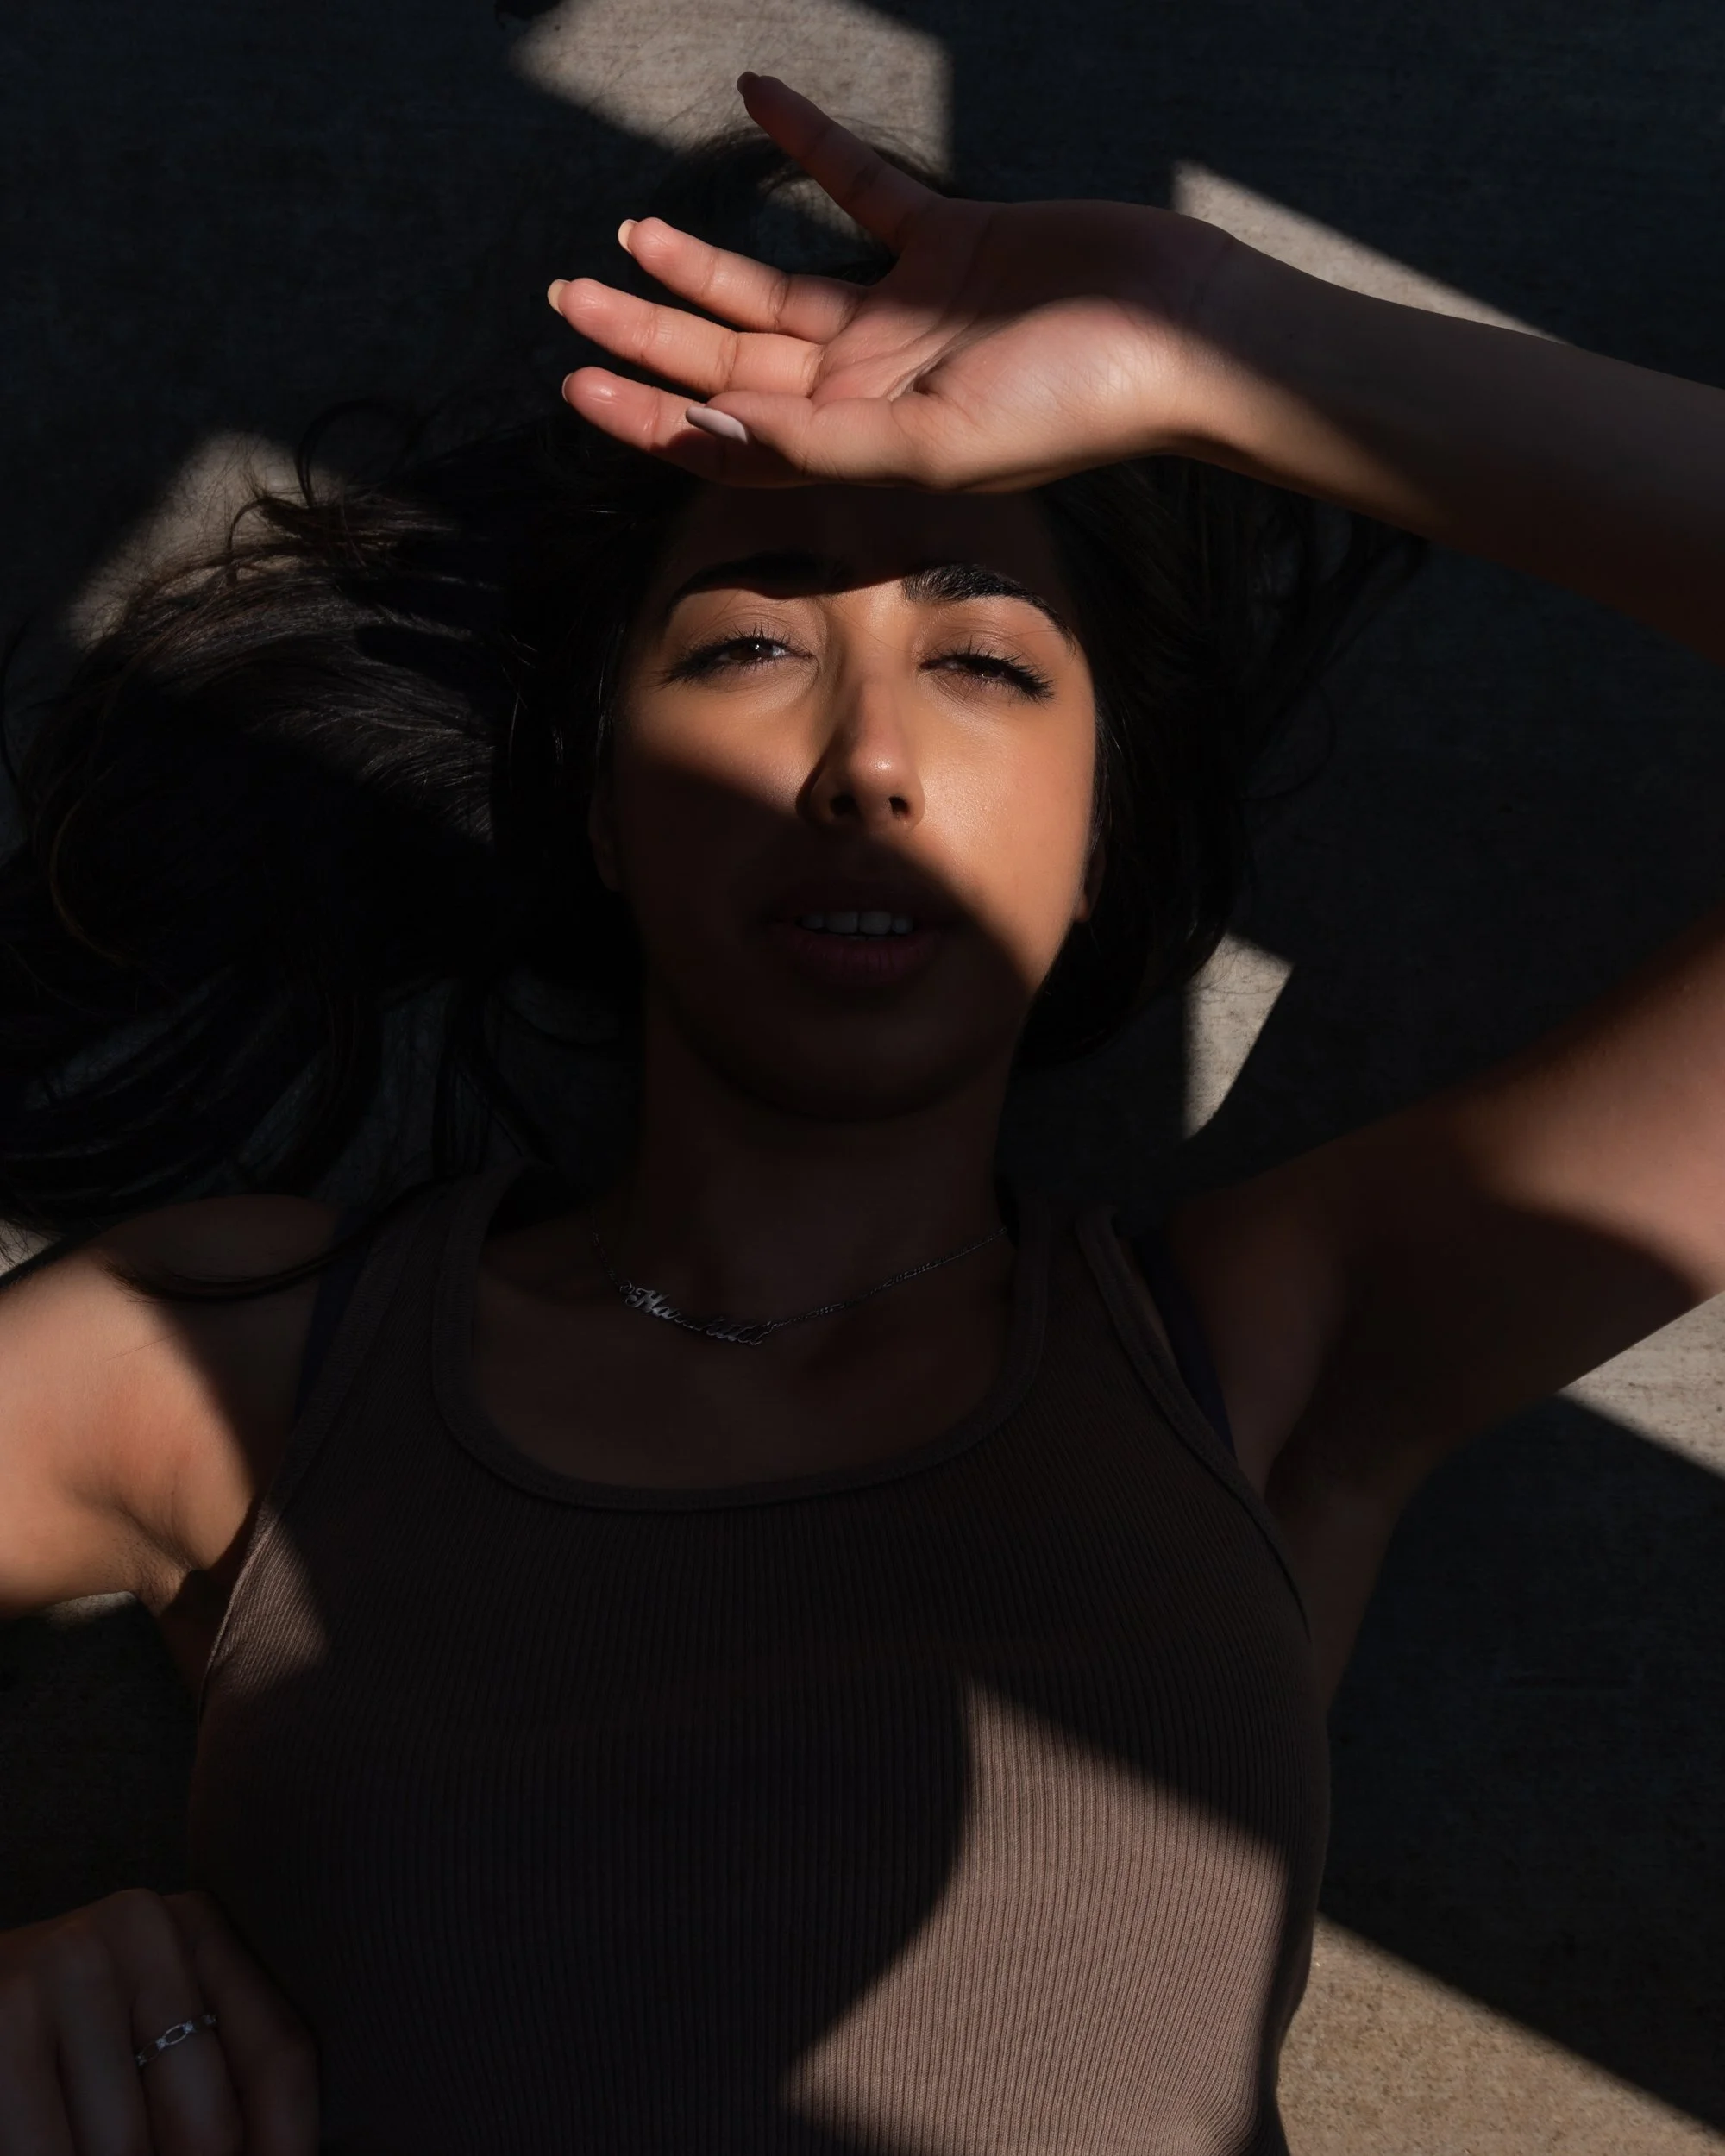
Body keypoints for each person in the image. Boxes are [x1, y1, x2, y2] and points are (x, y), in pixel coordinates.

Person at [1, 66, 1722, 2156]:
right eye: (747, 647)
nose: (867, 764)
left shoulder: (1269, 1357)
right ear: (605, 805)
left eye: (986, 664)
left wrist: (1225, 344)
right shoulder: (240, 1365)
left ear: (1101, 840)